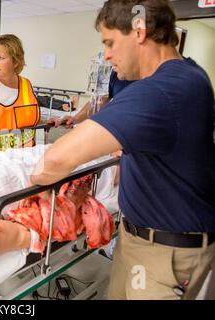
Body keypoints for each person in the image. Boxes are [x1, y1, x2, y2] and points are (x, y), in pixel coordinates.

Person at [31, 0, 215, 300]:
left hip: (165, 254)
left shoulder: (161, 91)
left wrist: (33, 200)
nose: (107, 55)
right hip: (138, 237)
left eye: (110, 42)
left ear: (139, 31)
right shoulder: (191, 75)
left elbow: (55, 158)